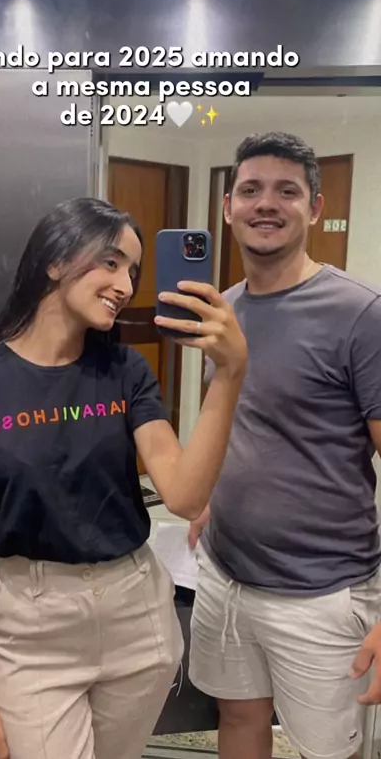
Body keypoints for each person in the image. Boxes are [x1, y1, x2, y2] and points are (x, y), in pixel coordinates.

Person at [0, 197, 247, 759]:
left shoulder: (125, 371)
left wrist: (230, 375)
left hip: (136, 613)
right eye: (110, 262)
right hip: (33, 627)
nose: (125, 285)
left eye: (133, 271)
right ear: (55, 260)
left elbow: (186, 497)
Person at [187, 131, 381, 759]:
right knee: (239, 718)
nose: (266, 203)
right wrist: (212, 498)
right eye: (250, 190)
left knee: (327, 751)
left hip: (323, 593)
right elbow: (243, 421)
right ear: (228, 208)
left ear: (315, 208)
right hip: (227, 574)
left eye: (286, 191)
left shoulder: (361, 315)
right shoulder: (222, 310)